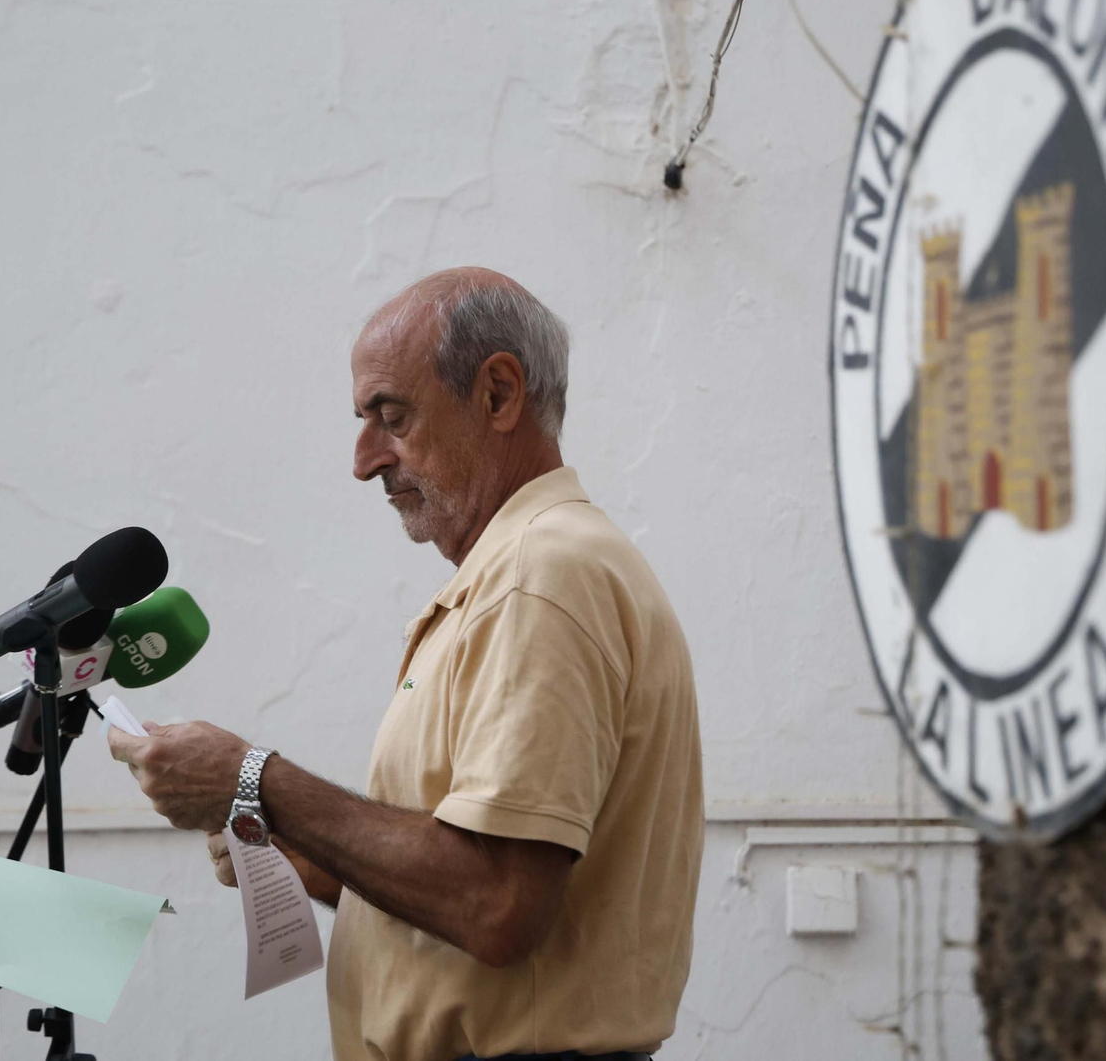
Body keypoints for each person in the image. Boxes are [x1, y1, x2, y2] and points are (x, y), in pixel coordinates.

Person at [108, 267, 704, 1061]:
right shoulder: (525, 570)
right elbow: (471, 879)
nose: (362, 460)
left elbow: (498, 903)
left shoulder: (541, 574)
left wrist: (253, 779)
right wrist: (315, 856)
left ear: (497, 394)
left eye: (390, 416)